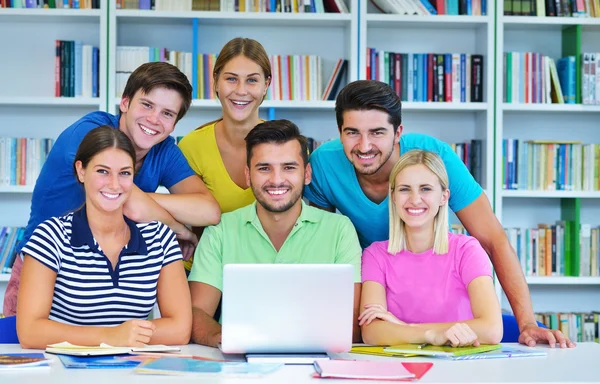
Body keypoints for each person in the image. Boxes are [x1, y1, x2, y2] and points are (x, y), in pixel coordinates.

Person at [305, 80, 575, 348]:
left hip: (432, 279)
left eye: (377, 133)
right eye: (352, 133)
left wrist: (527, 323)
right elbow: (325, 245)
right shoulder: (323, 165)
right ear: (339, 133)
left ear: (398, 132)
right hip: (376, 278)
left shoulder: (435, 159)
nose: (364, 146)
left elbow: (494, 240)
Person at [2, 61, 221, 317]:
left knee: (121, 352)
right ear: (125, 103)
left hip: (112, 275)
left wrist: (144, 198)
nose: (154, 119)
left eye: (167, 114)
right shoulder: (93, 132)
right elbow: (132, 207)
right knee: (32, 351)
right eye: (147, 105)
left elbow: (209, 211)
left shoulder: (164, 150)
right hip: (47, 268)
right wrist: (181, 230)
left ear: (174, 125)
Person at [188, 120, 362, 347]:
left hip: (318, 360)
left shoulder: (340, 230)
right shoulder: (220, 230)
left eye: (289, 167)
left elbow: (351, 322)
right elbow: (197, 311)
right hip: (237, 365)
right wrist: (221, 338)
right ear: (248, 175)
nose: (277, 180)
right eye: (264, 168)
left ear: (307, 174)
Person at [16, 127, 191, 349]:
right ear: (81, 171)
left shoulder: (159, 238)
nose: (114, 184)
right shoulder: (50, 237)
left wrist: (124, 337)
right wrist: (110, 337)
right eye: (102, 171)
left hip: (132, 372)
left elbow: (180, 328)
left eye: (125, 173)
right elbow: (30, 331)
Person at [359, 150, 502, 346]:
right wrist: (431, 336)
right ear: (392, 196)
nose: (415, 199)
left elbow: (492, 329)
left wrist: (403, 328)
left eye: (425, 189)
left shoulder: (467, 250)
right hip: (398, 369)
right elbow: (371, 332)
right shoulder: (375, 255)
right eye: (404, 189)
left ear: (444, 196)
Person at [178, 37, 271, 218]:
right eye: (231, 79)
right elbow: (196, 224)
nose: (241, 90)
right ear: (216, 81)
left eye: (252, 80)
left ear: (265, 85)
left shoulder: (286, 145)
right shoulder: (192, 147)